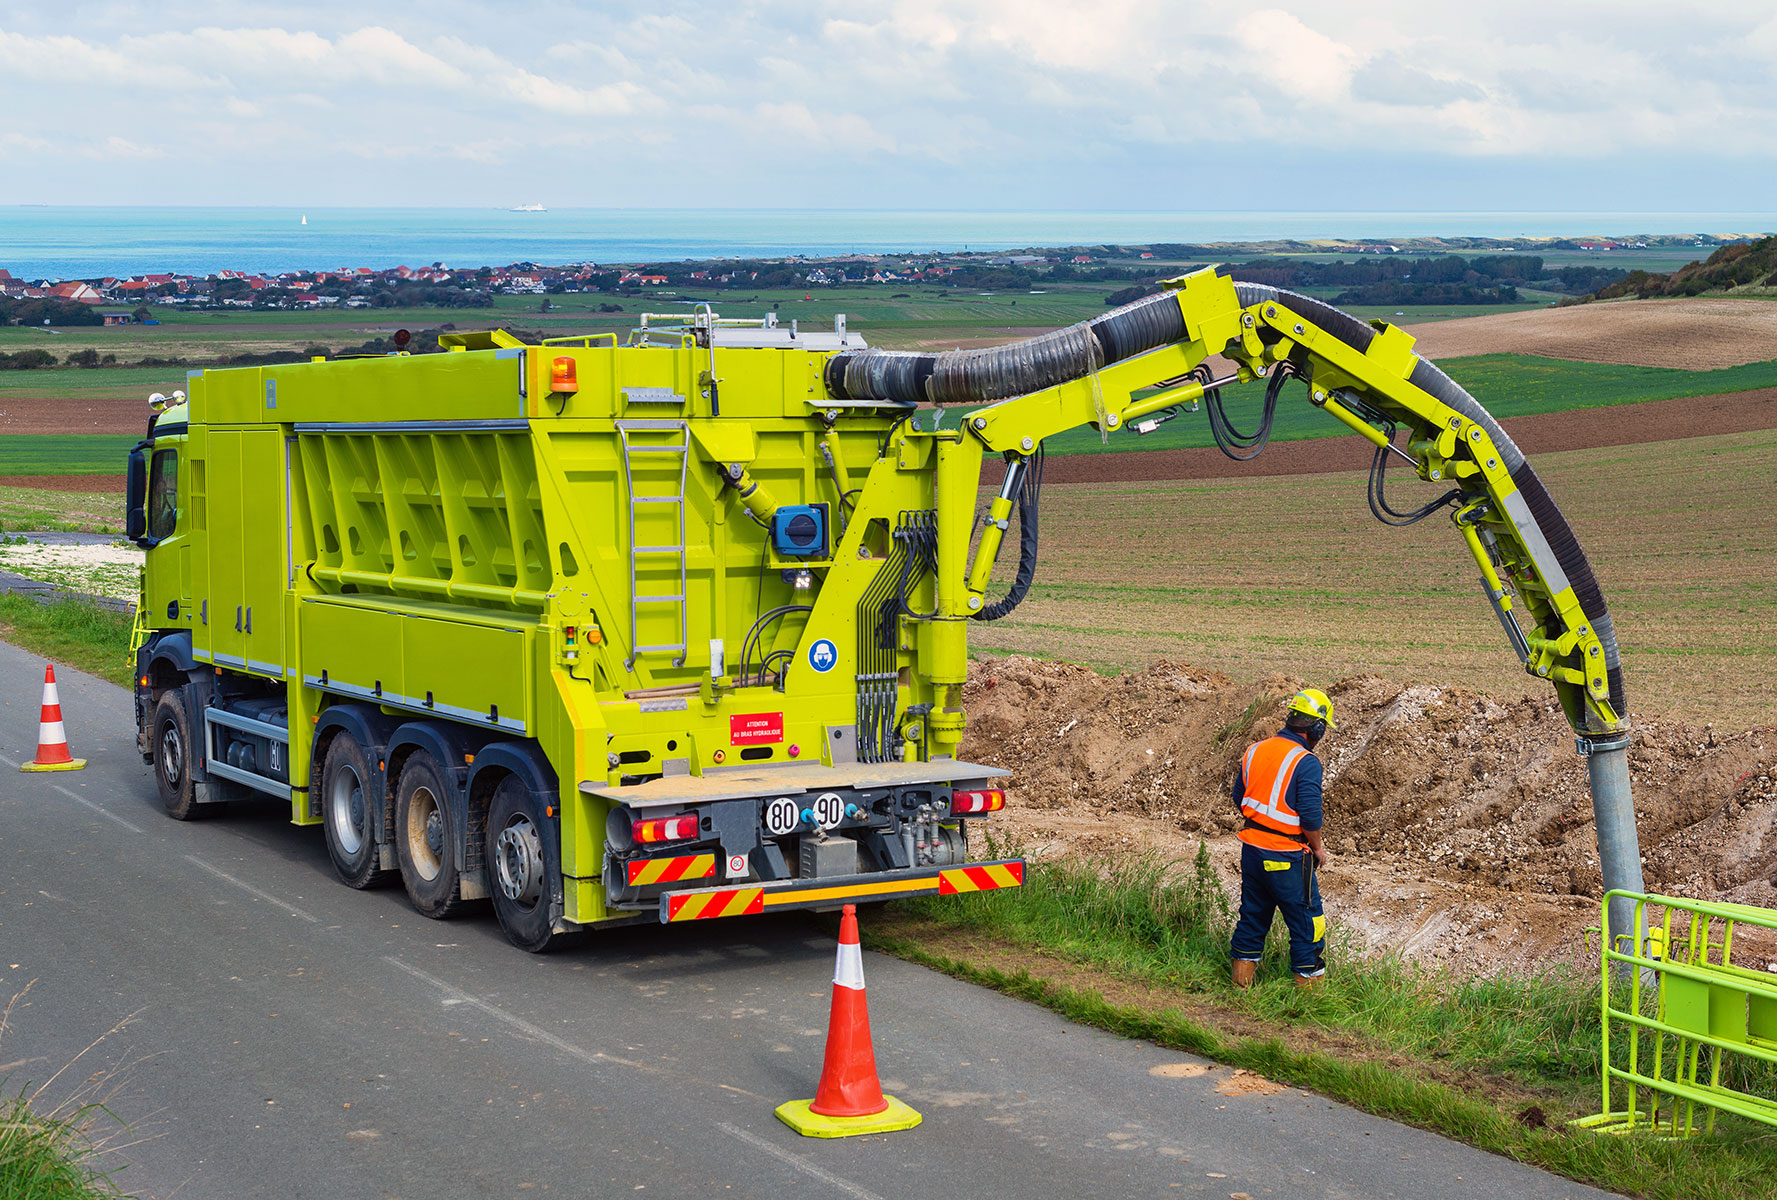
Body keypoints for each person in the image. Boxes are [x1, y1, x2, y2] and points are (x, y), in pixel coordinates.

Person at [1229, 688, 1335, 990]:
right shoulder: (1307, 762)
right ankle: (1310, 1001)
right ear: (1317, 727)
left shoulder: (1255, 749)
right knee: (1308, 925)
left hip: (1251, 850)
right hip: (1287, 856)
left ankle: (1240, 989)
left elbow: (1240, 796)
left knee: (1252, 917)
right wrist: (1317, 847)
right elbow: (1311, 816)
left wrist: (1264, 823)